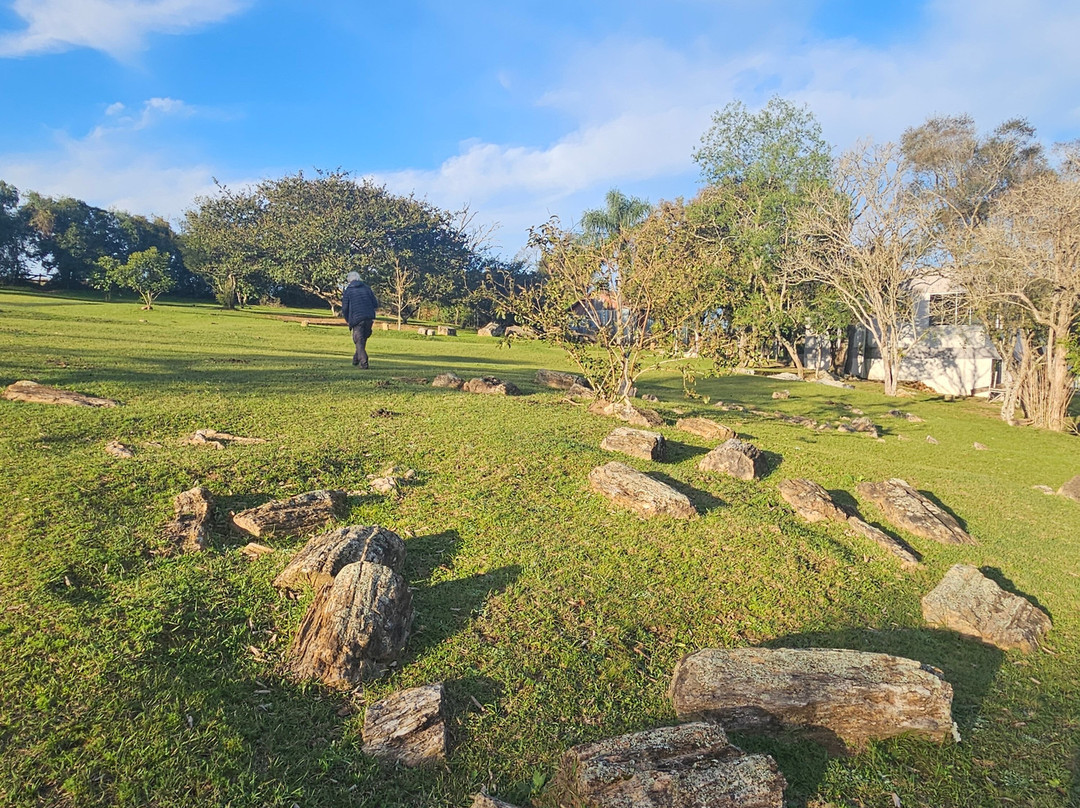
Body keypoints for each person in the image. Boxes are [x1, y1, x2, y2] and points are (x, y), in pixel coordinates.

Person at [340, 271, 378, 368]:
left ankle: (364, 363)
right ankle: (355, 359)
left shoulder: (348, 291)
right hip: (369, 317)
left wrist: (347, 319)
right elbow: (375, 304)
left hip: (357, 319)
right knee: (362, 339)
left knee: (358, 340)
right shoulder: (367, 288)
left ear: (349, 280)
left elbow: (344, 308)